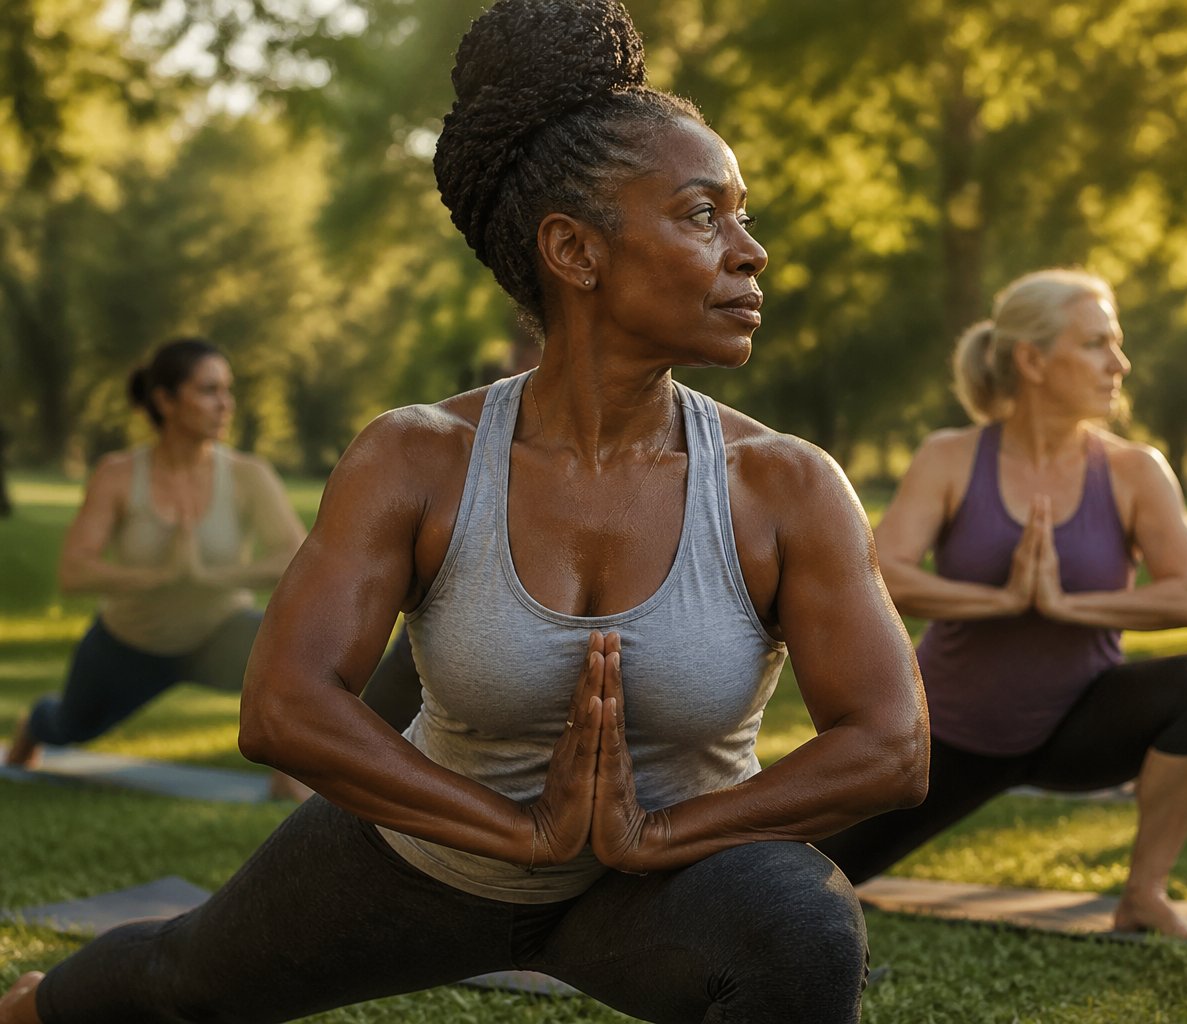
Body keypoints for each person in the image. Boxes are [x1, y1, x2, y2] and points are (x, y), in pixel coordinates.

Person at [0, 1, 929, 1020]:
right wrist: (518, 830)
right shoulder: (417, 457)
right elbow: (283, 708)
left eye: (743, 214)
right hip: (423, 863)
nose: (750, 251)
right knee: (179, 981)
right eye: (705, 214)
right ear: (575, 250)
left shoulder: (784, 482)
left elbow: (889, 743)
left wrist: (654, 837)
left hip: (662, 885)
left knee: (803, 937)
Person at [815, 269, 1187, 941]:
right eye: (1097, 343)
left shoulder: (1135, 471)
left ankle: (1145, 894)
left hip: (1080, 724)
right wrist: (1003, 599)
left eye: (1116, 343)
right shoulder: (950, 458)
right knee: (795, 879)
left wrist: (1063, 605)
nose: (1118, 363)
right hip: (946, 735)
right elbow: (880, 573)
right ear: (1032, 360)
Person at [4, 337, 310, 801]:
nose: (226, 404)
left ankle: (288, 773)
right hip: (131, 644)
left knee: (296, 649)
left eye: (228, 390)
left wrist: (209, 579)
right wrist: (161, 579)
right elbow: (75, 572)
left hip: (217, 635)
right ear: (165, 401)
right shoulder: (118, 474)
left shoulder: (250, 475)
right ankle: (33, 726)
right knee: (71, 725)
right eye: (209, 390)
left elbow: (297, 557)